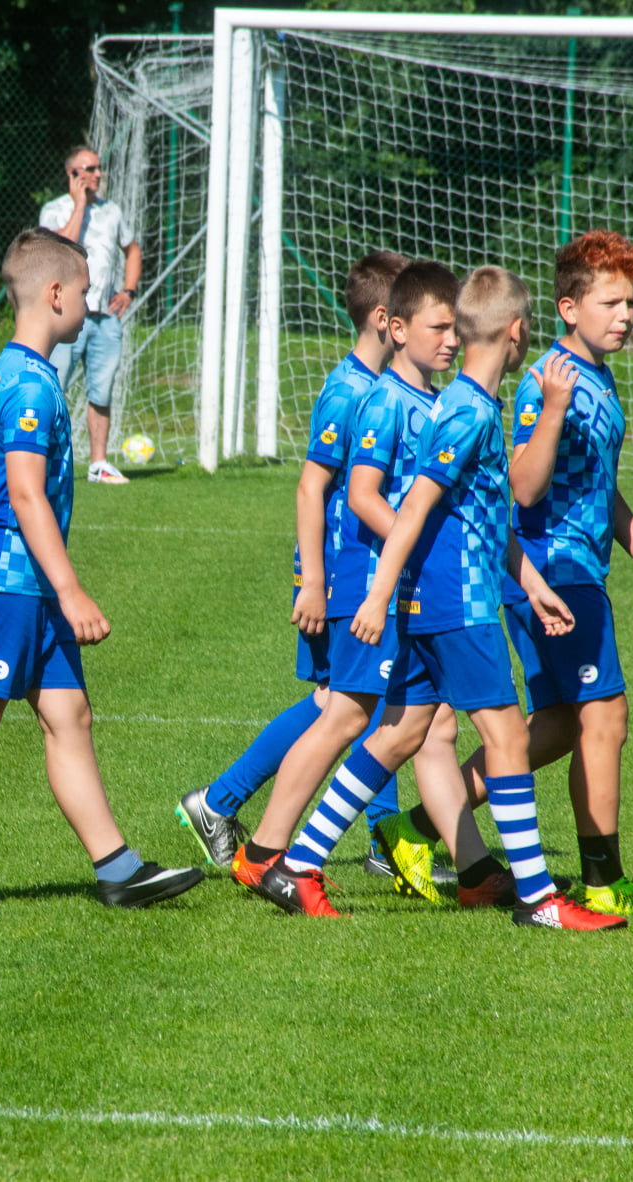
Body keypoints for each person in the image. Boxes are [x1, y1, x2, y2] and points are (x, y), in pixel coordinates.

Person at [0, 228, 201, 911]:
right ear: (54, 295)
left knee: (68, 715)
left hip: (26, 581)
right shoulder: (29, 384)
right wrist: (70, 590)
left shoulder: (26, 371)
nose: (89, 303)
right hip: (2, 579)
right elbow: (24, 494)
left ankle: (118, 870)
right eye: (83, 291)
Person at [383, 231, 633, 917]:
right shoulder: (545, 382)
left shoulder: (598, 378)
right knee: (604, 715)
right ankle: (603, 879)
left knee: (553, 725)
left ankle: (419, 826)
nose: (625, 315)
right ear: (568, 309)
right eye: (610, 303)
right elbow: (521, 488)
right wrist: (551, 409)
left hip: (577, 567)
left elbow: (599, 485)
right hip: (549, 568)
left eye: (630, 303)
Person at [321, 266, 624, 932]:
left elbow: (485, 518)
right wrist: (377, 594)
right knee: (506, 737)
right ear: (517, 332)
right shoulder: (468, 411)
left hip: (441, 597)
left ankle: (301, 860)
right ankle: (538, 900)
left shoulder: (467, 404)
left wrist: (534, 587)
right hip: (457, 601)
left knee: (400, 733)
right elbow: (415, 506)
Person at [226, 263, 478, 909]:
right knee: (344, 716)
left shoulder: (429, 401)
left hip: (400, 587)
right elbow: (360, 495)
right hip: (369, 585)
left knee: (424, 723)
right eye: (439, 327)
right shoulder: (380, 399)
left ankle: (471, 866)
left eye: (456, 327)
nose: (452, 339)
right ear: (395, 328)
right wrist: (403, 550)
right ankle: (264, 853)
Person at [174, 251, 408, 869]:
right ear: (384, 319)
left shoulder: (380, 388)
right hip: (340, 575)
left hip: (358, 571)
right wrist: (312, 580)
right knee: (348, 703)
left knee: (357, 699)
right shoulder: (350, 391)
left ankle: (377, 837)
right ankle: (224, 804)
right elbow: (311, 487)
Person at [39, 145, 142, 485]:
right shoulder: (54, 210)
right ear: (72, 174)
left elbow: (132, 249)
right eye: (90, 169)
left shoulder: (112, 211)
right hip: (66, 318)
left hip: (105, 318)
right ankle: (43, 458)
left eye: (99, 168)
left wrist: (128, 291)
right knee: (54, 387)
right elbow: (60, 247)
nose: (98, 174)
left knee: (102, 391)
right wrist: (80, 205)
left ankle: (99, 464)